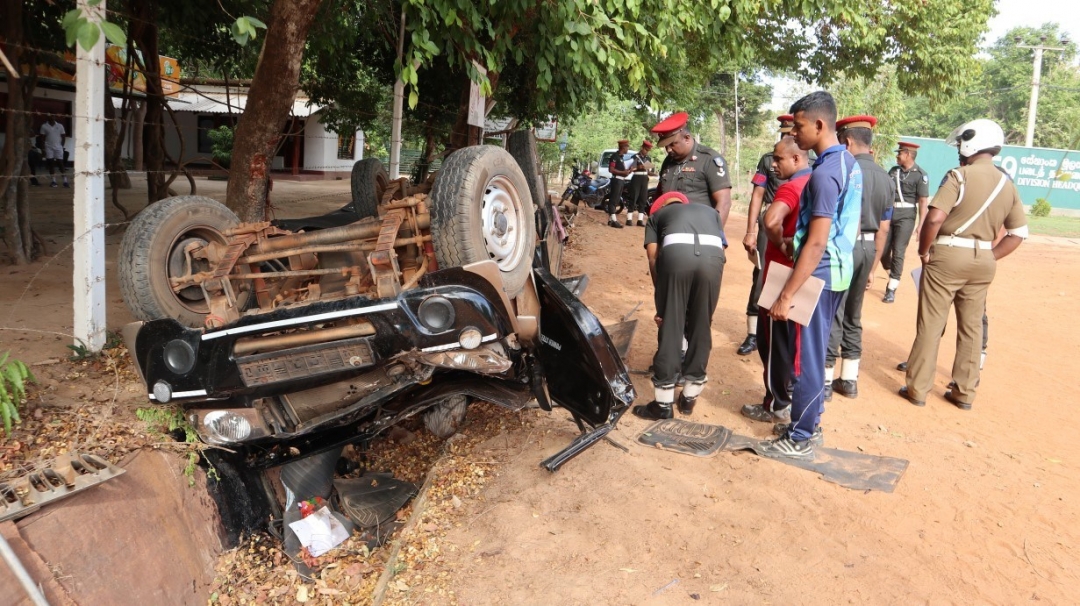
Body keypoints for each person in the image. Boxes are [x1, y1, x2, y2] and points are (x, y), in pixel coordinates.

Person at [758, 91, 862, 460]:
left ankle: (802, 436)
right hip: (834, 272)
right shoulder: (848, 163)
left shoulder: (825, 173)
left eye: (799, 125)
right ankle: (808, 422)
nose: (795, 133)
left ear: (819, 124)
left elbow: (817, 243)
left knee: (804, 359)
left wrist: (787, 294)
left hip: (816, 275)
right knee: (814, 354)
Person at [899, 118, 1027, 410]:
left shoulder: (959, 175)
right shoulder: (1007, 183)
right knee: (972, 328)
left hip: (947, 256)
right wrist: (988, 255)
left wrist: (924, 251)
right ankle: (964, 393)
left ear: (972, 142)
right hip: (983, 260)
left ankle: (917, 389)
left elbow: (934, 218)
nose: (959, 149)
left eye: (960, 143)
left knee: (932, 323)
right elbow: (1018, 233)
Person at [634, 191, 726, 420]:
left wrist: (663, 302)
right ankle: (689, 398)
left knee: (671, 326)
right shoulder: (710, 213)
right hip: (712, 260)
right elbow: (721, 250)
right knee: (701, 324)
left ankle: (663, 404)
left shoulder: (657, 216)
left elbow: (653, 258)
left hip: (676, 256)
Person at [740, 136, 811, 425]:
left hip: (781, 274)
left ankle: (776, 404)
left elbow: (770, 221)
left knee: (774, 344)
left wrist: (781, 245)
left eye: (779, 159)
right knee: (793, 343)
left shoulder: (792, 186)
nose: (773, 164)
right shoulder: (817, 183)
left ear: (796, 159)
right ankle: (788, 399)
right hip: (803, 273)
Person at [824, 115, 893, 399]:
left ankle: (826, 380)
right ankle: (849, 379)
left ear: (847, 141)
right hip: (868, 249)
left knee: (833, 312)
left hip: (844, 245)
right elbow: (885, 227)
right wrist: (875, 265)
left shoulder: (845, 168)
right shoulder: (886, 177)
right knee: (854, 312)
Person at [737, 114, 795, 356]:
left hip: (794, 221)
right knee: (761, 274)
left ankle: (784, 331)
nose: (786, 136)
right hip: (770, 218)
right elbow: (758, 194)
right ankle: (753, 333)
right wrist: (751, 230)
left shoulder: (808, 160)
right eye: (783, 132)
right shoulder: (767, 159)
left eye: (790, 132)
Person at [651, 111, 732, 234]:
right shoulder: (668, 161)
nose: (668, 150)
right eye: (666, 146)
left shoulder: (709, 159)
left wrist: (715, 235)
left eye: (673, 144)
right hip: (668, 231)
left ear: (687, 138)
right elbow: (660, 195)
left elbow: (724, 202)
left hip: (698, 233)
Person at [881, 141, 929, 302]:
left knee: (898, 251)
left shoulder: (920, 175)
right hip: (889, 212)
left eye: (900, 153)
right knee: (882, 250)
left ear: (907, 154)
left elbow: (923, 202)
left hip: (907, 215)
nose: (897, 156)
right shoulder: (894, 171)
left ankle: (891, 287)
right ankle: (892, 274)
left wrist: (920, 225)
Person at [626, 139, 654, 227]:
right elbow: (631, 168)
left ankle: (640, 220)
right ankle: (629, 219)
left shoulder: (648, 158)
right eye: (646, 149)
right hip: (637, 177)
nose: (646, 152)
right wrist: (639, 167)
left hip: (645, 177)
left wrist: (653, 173)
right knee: (633, 197)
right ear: (642, 148)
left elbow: (648, 170)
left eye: (648, 150)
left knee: (643, 198)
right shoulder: (635, 157)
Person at [606, 139, 633, 228]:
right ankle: (614, 220)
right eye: (627, 147)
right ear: (623, 147)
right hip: (616, 180)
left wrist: (629, 171)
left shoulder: (621, 158)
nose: (628, 149)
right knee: (613, 200)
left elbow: (622, 172)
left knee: (617, 200)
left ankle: (610, 220)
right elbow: (611, 169)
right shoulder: (615, 157)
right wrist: (623, 173)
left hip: (621, 180)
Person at [39, 115, 68, 188]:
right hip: (48, 147)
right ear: (47, 117)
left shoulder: (60, 126)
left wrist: (61, 146)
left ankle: (65, 181)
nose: (52, 118)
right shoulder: (44, 126)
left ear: (55, 117)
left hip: (58, 147)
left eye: (53, 116)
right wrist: (43, 149)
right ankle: (54, 181)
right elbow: (42, 138)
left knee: (60, 163)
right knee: (50, 163)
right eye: (50, 116)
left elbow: (63, 136)